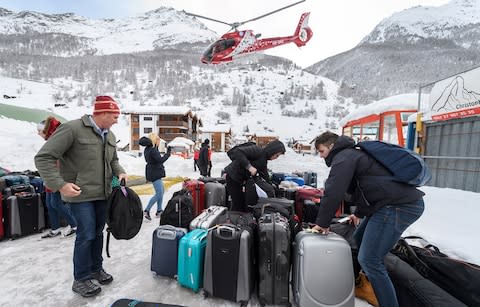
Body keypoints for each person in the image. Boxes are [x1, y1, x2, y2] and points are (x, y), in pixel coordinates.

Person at [311, 131, 425, 307]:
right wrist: (358, 213)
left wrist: (322, 223)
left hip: (398, 206)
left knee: (370, 259)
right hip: (389, 203)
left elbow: (334, 190)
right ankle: (365, 283)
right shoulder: (353, 154)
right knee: (358, 238)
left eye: (321, 150)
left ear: (331, 146)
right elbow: (369, 188)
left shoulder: (344, 157)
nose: (320, 155)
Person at [35, 96, 128, 298]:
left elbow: (114, 160)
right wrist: (60, 185)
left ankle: (96, 268)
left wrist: (119, 171)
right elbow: (44, 157)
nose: (116, 120)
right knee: (86, 234)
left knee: (98, 232)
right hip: (80, 195)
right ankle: (81, 278)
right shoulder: (72, 129)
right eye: (114, 116)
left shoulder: (109, 135)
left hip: (103, 193)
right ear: (102, 113)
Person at [37, 116, 78, 238]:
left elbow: (59, 160)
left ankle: (75, 225)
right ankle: (55, 229)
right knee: (50, 204)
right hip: (50, 177)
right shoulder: (52, 139)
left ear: (45, 130)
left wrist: (55, 178)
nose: (38, 134)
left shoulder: (56, 139)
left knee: (56, 203)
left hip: (57, 177)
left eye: (39, 131)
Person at [224, 140, 286, 212]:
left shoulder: (263, 160)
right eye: (276, 155)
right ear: (273, 150)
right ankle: (233, 220)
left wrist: (274, 188)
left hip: (240, 180)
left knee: (243, 203)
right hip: (233, 177)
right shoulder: (258, 150)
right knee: (238, 203)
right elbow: (238, 152)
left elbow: (265, 176)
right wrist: (249, 166)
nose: (276, 158)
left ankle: (240, 219)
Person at [139, 132, 171, 220]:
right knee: (159, 193)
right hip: (154, 173)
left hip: (153, 172)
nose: (159, 141)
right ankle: (146, 210)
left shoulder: (149, 149)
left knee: (161, 191)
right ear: (154, 140)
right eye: (157, 139)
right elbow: (160, 160)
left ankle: (159, 210)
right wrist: (168, 153)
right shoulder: (152, 150)